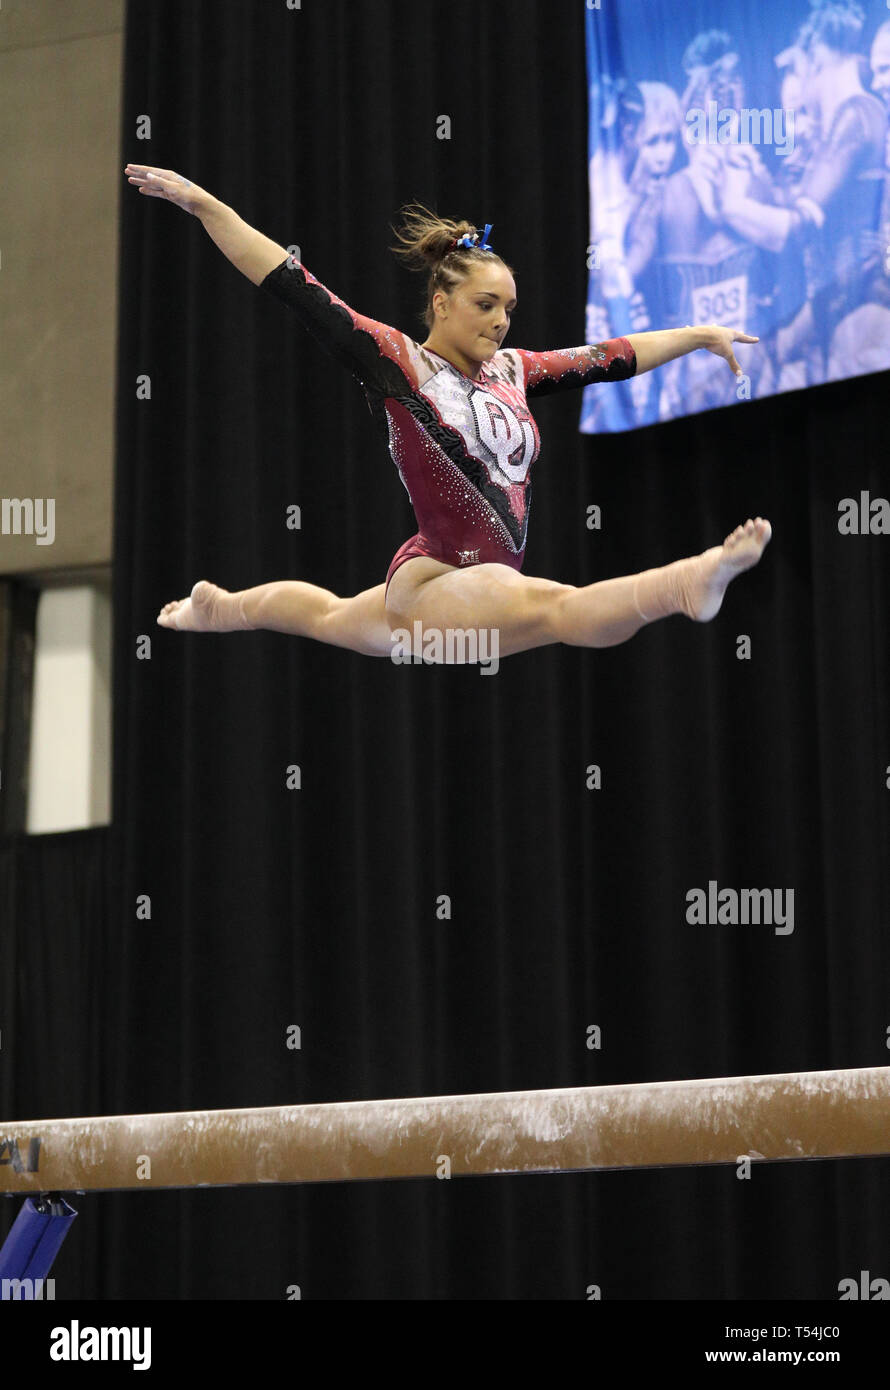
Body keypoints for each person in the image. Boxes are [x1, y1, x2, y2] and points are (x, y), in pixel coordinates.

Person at [124, 165, 770, 662]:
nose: (500, 320)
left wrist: (696, 333)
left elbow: (612, 356)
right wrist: (206, 205)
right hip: (438, 582)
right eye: (486, 304)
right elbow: (291, 284)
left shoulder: (515, 371)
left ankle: (220, 610)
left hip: (466, 600)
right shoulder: (397, 364)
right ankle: (686, 583)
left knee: (327, 617)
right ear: (440, 303)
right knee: (558, 611)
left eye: (509, 308)